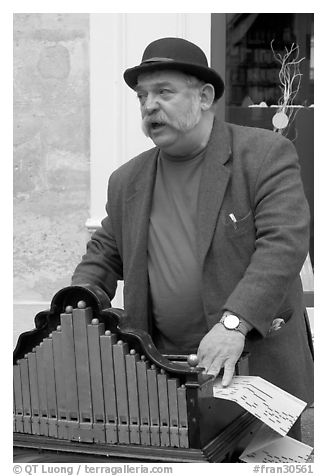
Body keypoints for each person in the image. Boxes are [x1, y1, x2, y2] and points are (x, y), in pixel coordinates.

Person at [72, 38, 313, 439]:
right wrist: (71, 310)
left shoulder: (265, 153)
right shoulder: (126, 179)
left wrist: (233, 325)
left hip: (256, 369)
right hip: (166, 374)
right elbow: (104, 254)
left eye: (163, 92)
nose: (149, 105)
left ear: (204, 97)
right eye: (142, 96)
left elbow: (284, 244)